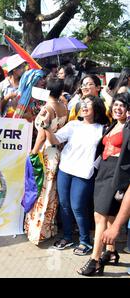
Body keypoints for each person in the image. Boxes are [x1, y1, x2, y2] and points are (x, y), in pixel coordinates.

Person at [43, 95, 109, 256]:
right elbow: (54, 140)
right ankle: (67, 236)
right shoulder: (73, 125)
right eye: (83, 103)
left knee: (78, 207)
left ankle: (85, 241)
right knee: (65, 205)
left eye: (89, 104)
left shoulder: (103, 129)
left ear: (97, 108)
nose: (84, 106)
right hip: (65, 169)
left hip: (84, 173)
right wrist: (46, 127)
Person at [77, 93, 129, 276]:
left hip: (115, 174)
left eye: (122, 105)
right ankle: (111, 251)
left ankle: (95, 260)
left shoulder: (128, 127)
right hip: (103, 171)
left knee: (99, 216)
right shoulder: (113, 125)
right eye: (115, 104)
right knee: (108, 217)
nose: (118, 108)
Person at [25, 79, 68, 245]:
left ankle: (38, 230)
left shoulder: (46, 109)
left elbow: (42, 135)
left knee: (41, 189)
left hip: (45, 152)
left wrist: (33, 152)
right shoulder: (64, 107)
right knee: (51, 191)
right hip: (57, 152)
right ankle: (48, 228)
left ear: (46, 90)